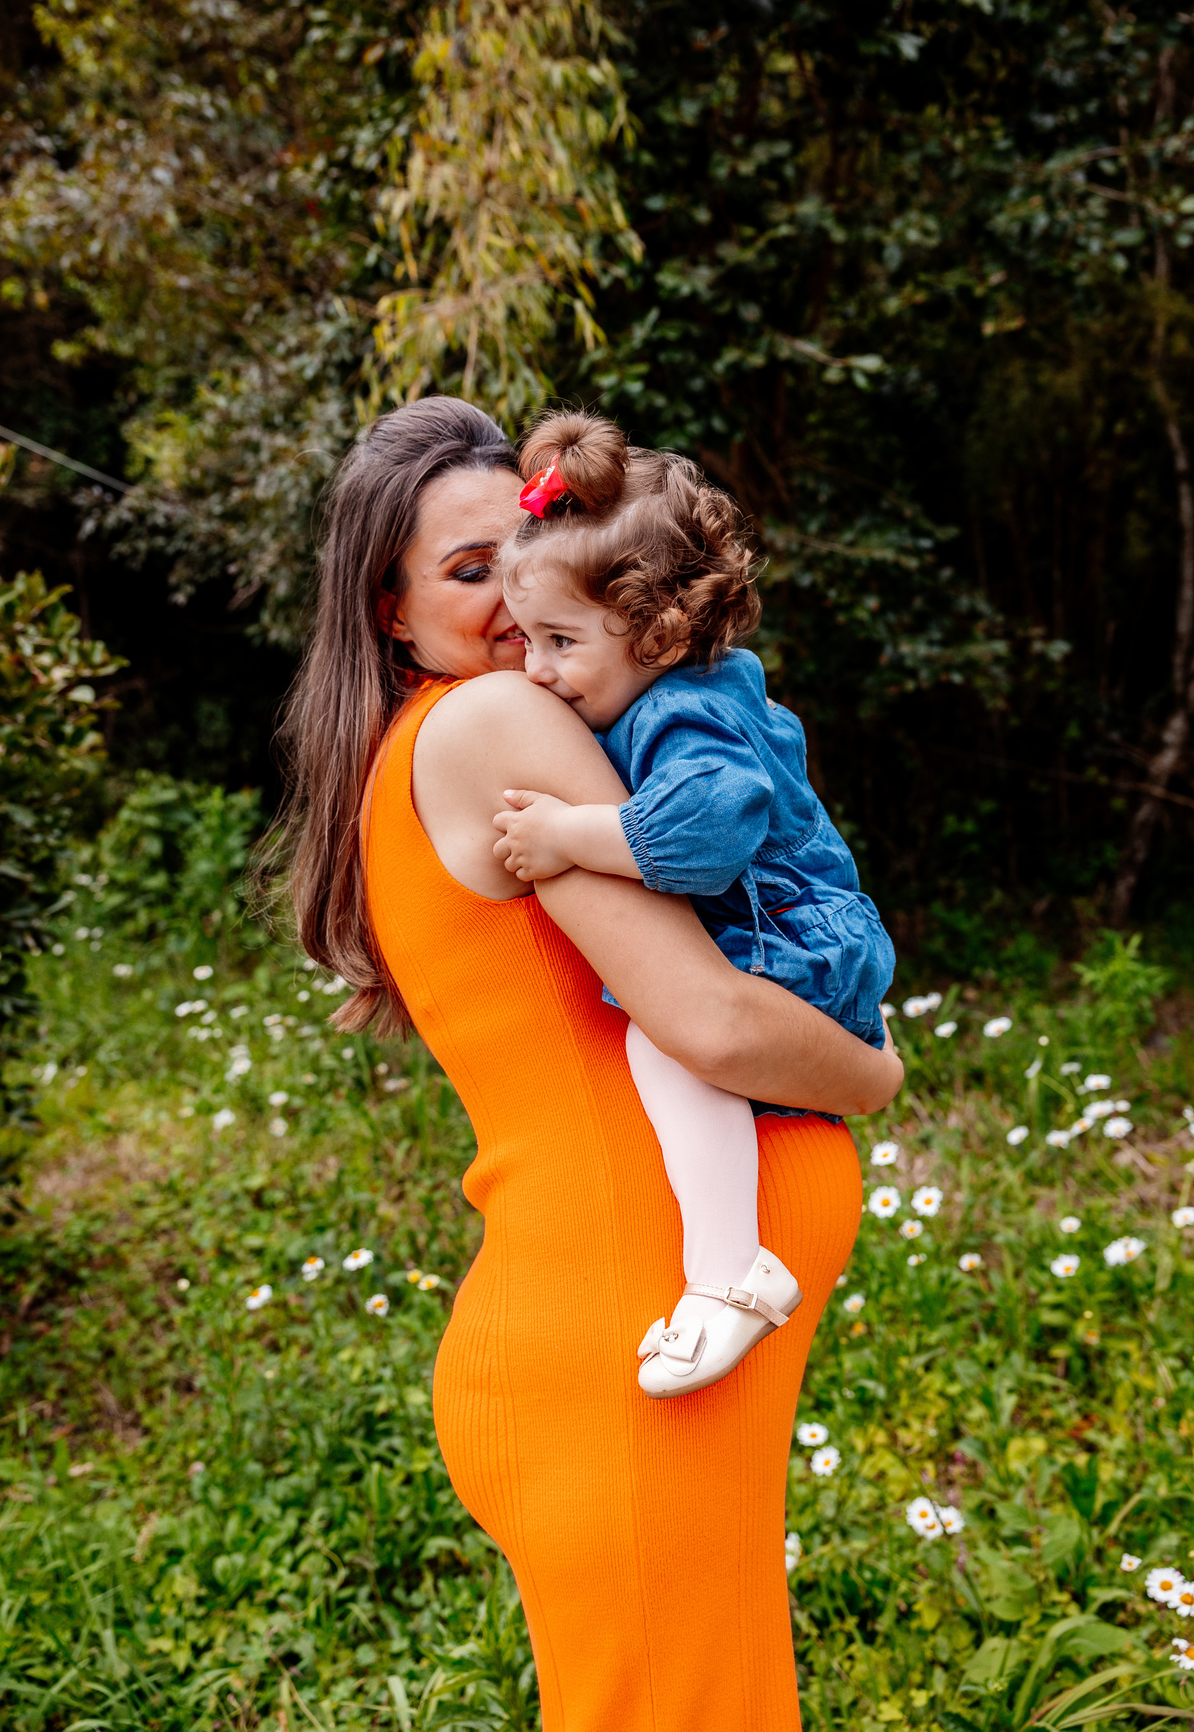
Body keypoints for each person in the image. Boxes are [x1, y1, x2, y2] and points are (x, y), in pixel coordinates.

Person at [282, 396, 903, 1732]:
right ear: (391, 613)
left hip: (628, 1339)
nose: (512, 596)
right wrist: (874, 1078)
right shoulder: (494, 724)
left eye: (521, 548)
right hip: (620, 1340)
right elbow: (720, 1024)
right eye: (466, 576)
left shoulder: (430, 745)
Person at [492, 411, 895, 1400]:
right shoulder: (664, 694)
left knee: (660, 1039)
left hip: (795, 943)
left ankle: (730, 1276)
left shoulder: (689, 710)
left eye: (559, 641)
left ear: (658, 631)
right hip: (795, 938)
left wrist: (564, 838)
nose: (534, 669)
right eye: (529, 639)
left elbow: (704, 839)